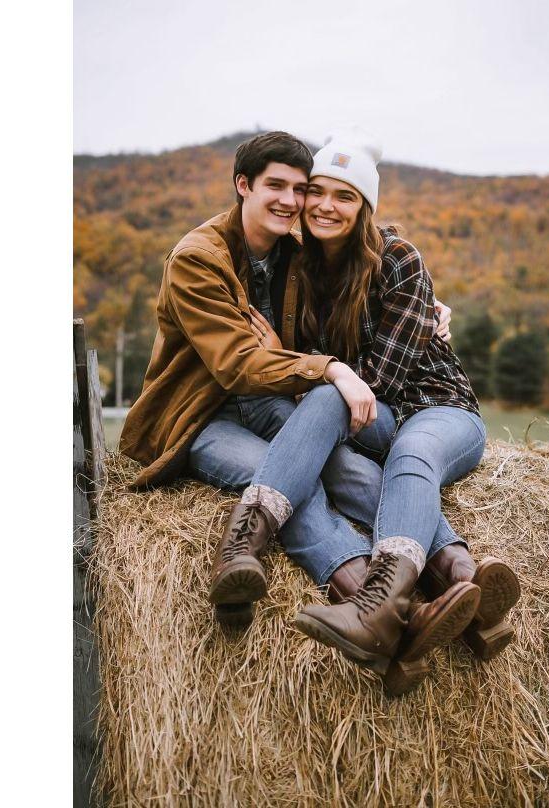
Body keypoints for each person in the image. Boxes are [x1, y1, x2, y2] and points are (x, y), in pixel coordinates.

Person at [119, 131, 472, 690]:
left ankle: (439, 583)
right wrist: (326, 367)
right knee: (297, 483)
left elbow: (370, 248)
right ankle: (389, 615)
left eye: (299, 189)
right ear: (243, 186)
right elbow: (237, 365)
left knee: (331, 465)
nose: (292, 200)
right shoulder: (197, 258)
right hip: (203, 418)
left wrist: (429, 300)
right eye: (276, 187)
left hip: (277, 401)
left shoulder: (295, 248)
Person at [224, 129, 521, 684]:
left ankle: (378, 606)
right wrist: (295, 364)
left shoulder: (398, 258)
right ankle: (461, 580)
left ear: (364, 206)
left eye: (345, 196)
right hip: (366, 417)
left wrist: (305, 367)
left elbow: (379, 380)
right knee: (327, 421)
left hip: (437, 410)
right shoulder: (296, 266)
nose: (326, 206)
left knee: (407, 451)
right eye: (318, 192)